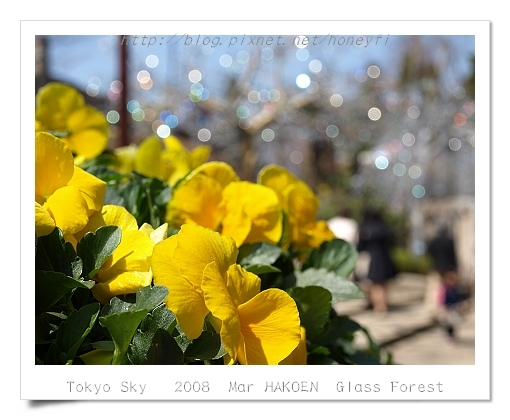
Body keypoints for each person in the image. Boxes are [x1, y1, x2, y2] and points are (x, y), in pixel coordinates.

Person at [357, 208, 397, 314]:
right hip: (385, 257)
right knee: (384, 283)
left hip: (372, 258)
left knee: (375, 284)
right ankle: (382, 303)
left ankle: (379, 306)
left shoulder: (365, 228)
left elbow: (361, 246)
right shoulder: (383, 227)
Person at [427, 224, 462, 340]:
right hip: (448, 269)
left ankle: (436, 310)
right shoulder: (450, 241)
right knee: (447, 293)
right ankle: (444, 310)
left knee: (436, 291)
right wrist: (454, 270)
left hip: (437, 268)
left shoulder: (434, 240)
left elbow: (429, 253)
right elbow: (454, 255)